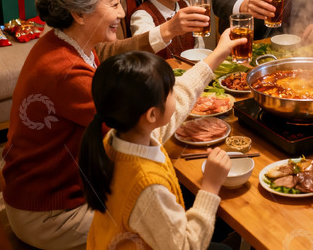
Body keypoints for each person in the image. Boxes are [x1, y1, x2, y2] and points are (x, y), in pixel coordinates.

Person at [2, 0, 242, 249]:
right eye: (114, 4)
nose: (123, 12)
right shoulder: (65, 72)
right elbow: (146, 130)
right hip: (52, 213)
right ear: (79, 12)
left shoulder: (65, 41)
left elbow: (112, 53)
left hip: (58, 191)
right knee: (176, 213)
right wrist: (212, 61)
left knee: (183, 200)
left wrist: (171, 32)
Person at [80, 52, 236, 250]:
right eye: (171, 90)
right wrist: (211, 186)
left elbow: (177, 104)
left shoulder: (116, 138)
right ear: (152, 114)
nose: (176, 91)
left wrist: (218, 54)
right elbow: (186, 247)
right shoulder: (148, 187)